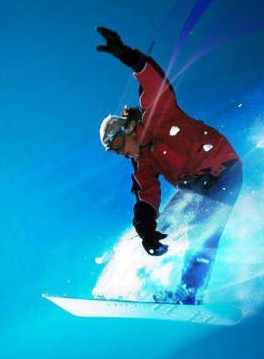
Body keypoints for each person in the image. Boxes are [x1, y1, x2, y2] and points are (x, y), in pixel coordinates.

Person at [94, 26, 242, 303]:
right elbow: (146, 194)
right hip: (198, 183)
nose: (120, 154)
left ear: (126, 129)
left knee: (201, 228)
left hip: (222, 168)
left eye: (117, 146)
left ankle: (187, 292)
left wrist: (127, 55)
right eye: (113, 153)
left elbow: (153, 83)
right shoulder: (143, 163)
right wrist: (146, 229)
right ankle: (160, 289)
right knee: (183, 226)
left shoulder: (157, 116)